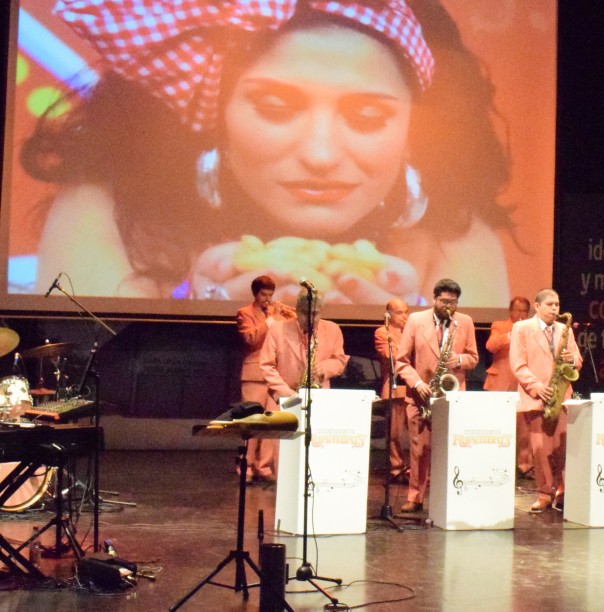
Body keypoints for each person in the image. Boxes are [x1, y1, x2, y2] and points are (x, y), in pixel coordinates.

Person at [25, 0, 513, 306]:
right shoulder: (109, 210)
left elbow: (487, 433)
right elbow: (79, 407)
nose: (320, 154)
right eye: (276, 108)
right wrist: (198, 316)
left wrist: (415, 347)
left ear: (413, 132)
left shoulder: (452, 236)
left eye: (366, 119)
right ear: (216, 117)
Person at [394, 278, 478, 512]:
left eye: (453, 302)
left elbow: (473, 357)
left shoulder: (465, 322)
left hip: (452, 396)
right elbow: (401, 361)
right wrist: (418, 382)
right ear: (434, 298)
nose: (449, 306)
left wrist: (458, 359)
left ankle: (451, 494)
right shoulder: (415, 320)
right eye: (444, 301)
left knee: (451, 448)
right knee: (419, 449)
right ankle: (415, 497)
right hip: (421, 394)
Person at [510, 289, 582, 513]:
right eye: (550, 304)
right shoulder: (522, 328)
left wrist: (573, 360)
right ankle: (544, 492)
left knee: (561, 448)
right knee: (540, 448)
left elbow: (577, 360)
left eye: (557, 305)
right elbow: (518, 364)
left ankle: (562, 491)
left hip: (560, 396)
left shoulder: (564, 330)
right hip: (536, 395)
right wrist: (536, 387)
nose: (554, 309)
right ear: (537, 306)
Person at [236, 274, 295, 481]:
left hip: (276, 374)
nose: (267, 299)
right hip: (254, 374)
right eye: (263, 294)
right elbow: (250, 338)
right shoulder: (245, 313)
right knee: (251, 423)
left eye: (270, 294)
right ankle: (247, 466)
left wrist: (283, 318)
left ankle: (264, 465)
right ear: (255, 293)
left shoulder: (277, 314)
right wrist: (271, 319)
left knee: (272, 423)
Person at [260, 286, 350, 409]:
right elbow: (266, 366)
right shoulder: (277, 329)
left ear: (321, 310)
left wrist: (323, 368)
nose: (310, 319)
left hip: (320, 401)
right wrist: (288, 394)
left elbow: (340, 360)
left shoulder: (333, 329)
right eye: (305, 313)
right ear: (297, 310)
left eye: (315, 314)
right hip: (283, 400)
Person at [484, 296, 532, 477]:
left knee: (524, 429)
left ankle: (525, 466)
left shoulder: (531, 330)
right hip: (500, 383)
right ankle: (494, 462)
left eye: (524, 311)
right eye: (518, 310)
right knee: (496, 426)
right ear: (510, 311)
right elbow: (491, 345)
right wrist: (511, 334)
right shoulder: (499, 325)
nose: (521, 314)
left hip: (522, 383)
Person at [374, 298, 411, 483]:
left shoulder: (411, 331)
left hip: (414, 387)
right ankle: (397, 468)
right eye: (400, 312)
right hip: (396, 385)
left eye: (406, 311)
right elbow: (393, 357)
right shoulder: (383, 332)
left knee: (416, 432)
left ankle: (415, 469)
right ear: (388, 314)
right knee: (395, 433)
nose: (404, 316)